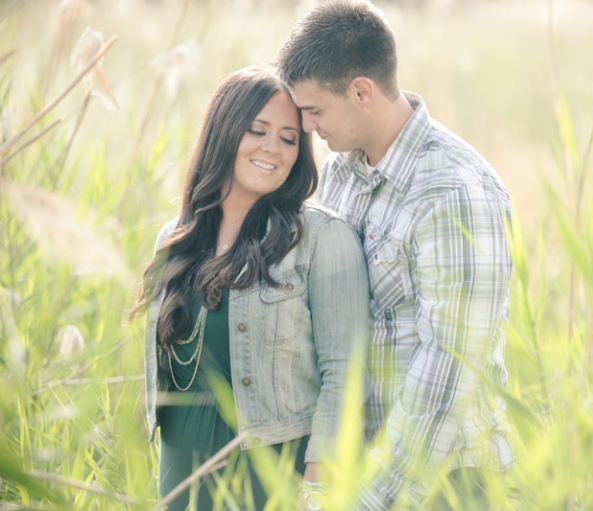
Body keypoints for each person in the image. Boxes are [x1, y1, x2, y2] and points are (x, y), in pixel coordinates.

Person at [276, 1, 515, 509]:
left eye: (315, 110)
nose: (308, 128)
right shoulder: (343, 174)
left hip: (448, 480)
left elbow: (449, 373)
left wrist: (369, 499)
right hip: (363, 471)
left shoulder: (454, 191)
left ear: (362, 91)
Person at [131, 66, 369, 510]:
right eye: (257, 131)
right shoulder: (175, 239)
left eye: (288, 138)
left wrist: (317, 491)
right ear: (223, 131)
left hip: (271, 479)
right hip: (181, 474)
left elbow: (346, 375)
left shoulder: (320, 238)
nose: (272, 149)